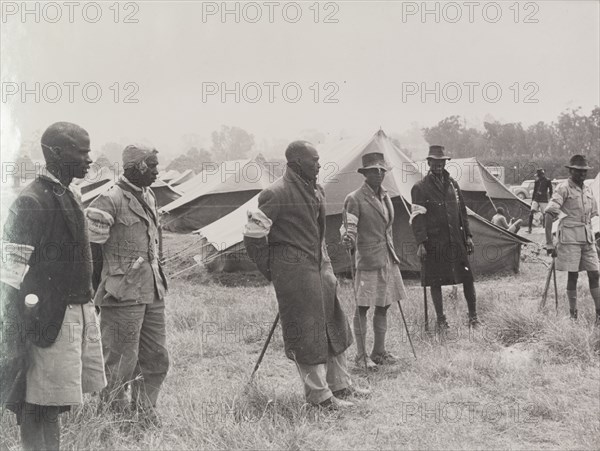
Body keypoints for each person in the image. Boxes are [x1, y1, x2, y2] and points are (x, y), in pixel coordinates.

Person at [0, 122, 106, 450]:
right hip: (44, 322)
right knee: (35, 403)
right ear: (57, 153)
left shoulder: (68, 194)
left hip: (69, 315)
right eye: (82, 151)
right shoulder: (31, 201)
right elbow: (8, 276)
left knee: (52, 404)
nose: (90, 159)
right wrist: (16, 334)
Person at [243, 140, 368, 409]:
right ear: (297, 162)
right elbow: (253, 236)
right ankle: (319, 396)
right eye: (314, 160)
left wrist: (326, 268)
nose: (319, 164)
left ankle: (341, 385)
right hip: (295, 276)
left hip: (320, 272)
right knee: (306, 334)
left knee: (334, 326)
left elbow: (318, 233)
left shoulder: (317, 191)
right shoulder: (274, 194)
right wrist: (275, 271)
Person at [85, 145, 169, 426]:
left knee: (156, 356)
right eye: (152, 165)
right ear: (136, 167)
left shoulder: (150, 195)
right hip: (121, 294)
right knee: (120, 362)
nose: (157, 170)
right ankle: (114, 418)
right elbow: (92, 252)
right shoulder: (108, 200)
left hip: (152, 291)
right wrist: (101, 291)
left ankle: (145, 411)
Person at [340, 152, 407, 369]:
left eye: (382, 171)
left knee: (384, 305)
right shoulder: (355, 198)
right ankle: (361, 356)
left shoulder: (386, 195)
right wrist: (348, 238)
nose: (379, 175)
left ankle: (379, 351)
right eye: (373, 171)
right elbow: (348, 227)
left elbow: (387, 226)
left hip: (388, 257)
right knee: (362, 307)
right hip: (368, 259)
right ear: (365, 174)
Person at [410, 145, 479, 329]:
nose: (439, 165)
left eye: (442, 161)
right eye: (435, 161)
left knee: (467, 278)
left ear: (445, 162)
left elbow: (462, 212)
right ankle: (441, 320)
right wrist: (421, 242)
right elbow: (417, 218)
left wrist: (468, 236)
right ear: (429, 163)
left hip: (456, 240)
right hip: (434, 242)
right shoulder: (420, 188)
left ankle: (473, 317)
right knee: (435, 282)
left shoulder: (453, 185)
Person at [544, 155, 599, 322]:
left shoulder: (588, 189)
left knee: (595, 273)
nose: (582, 174)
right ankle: (573, 314)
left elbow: (593, 216)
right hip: (569, 238)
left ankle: (599, 313)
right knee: (573, 275)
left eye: (584, 171)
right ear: (571, 170)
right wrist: (548, 242)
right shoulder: (563, 188)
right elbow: (549, 213)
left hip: (587, 238)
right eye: (578, 171)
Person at [528, 168, 552, 233]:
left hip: (543, 199)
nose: (538, 177)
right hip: (536, 198)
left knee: (544, 214)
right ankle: (529, 228)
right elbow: (535, 191)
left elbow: (550, 190)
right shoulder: (537, 181)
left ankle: (544, 227)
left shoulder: (547, 181)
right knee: (531, 212)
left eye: (538, 175)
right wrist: (532, 200)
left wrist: (550, 198)